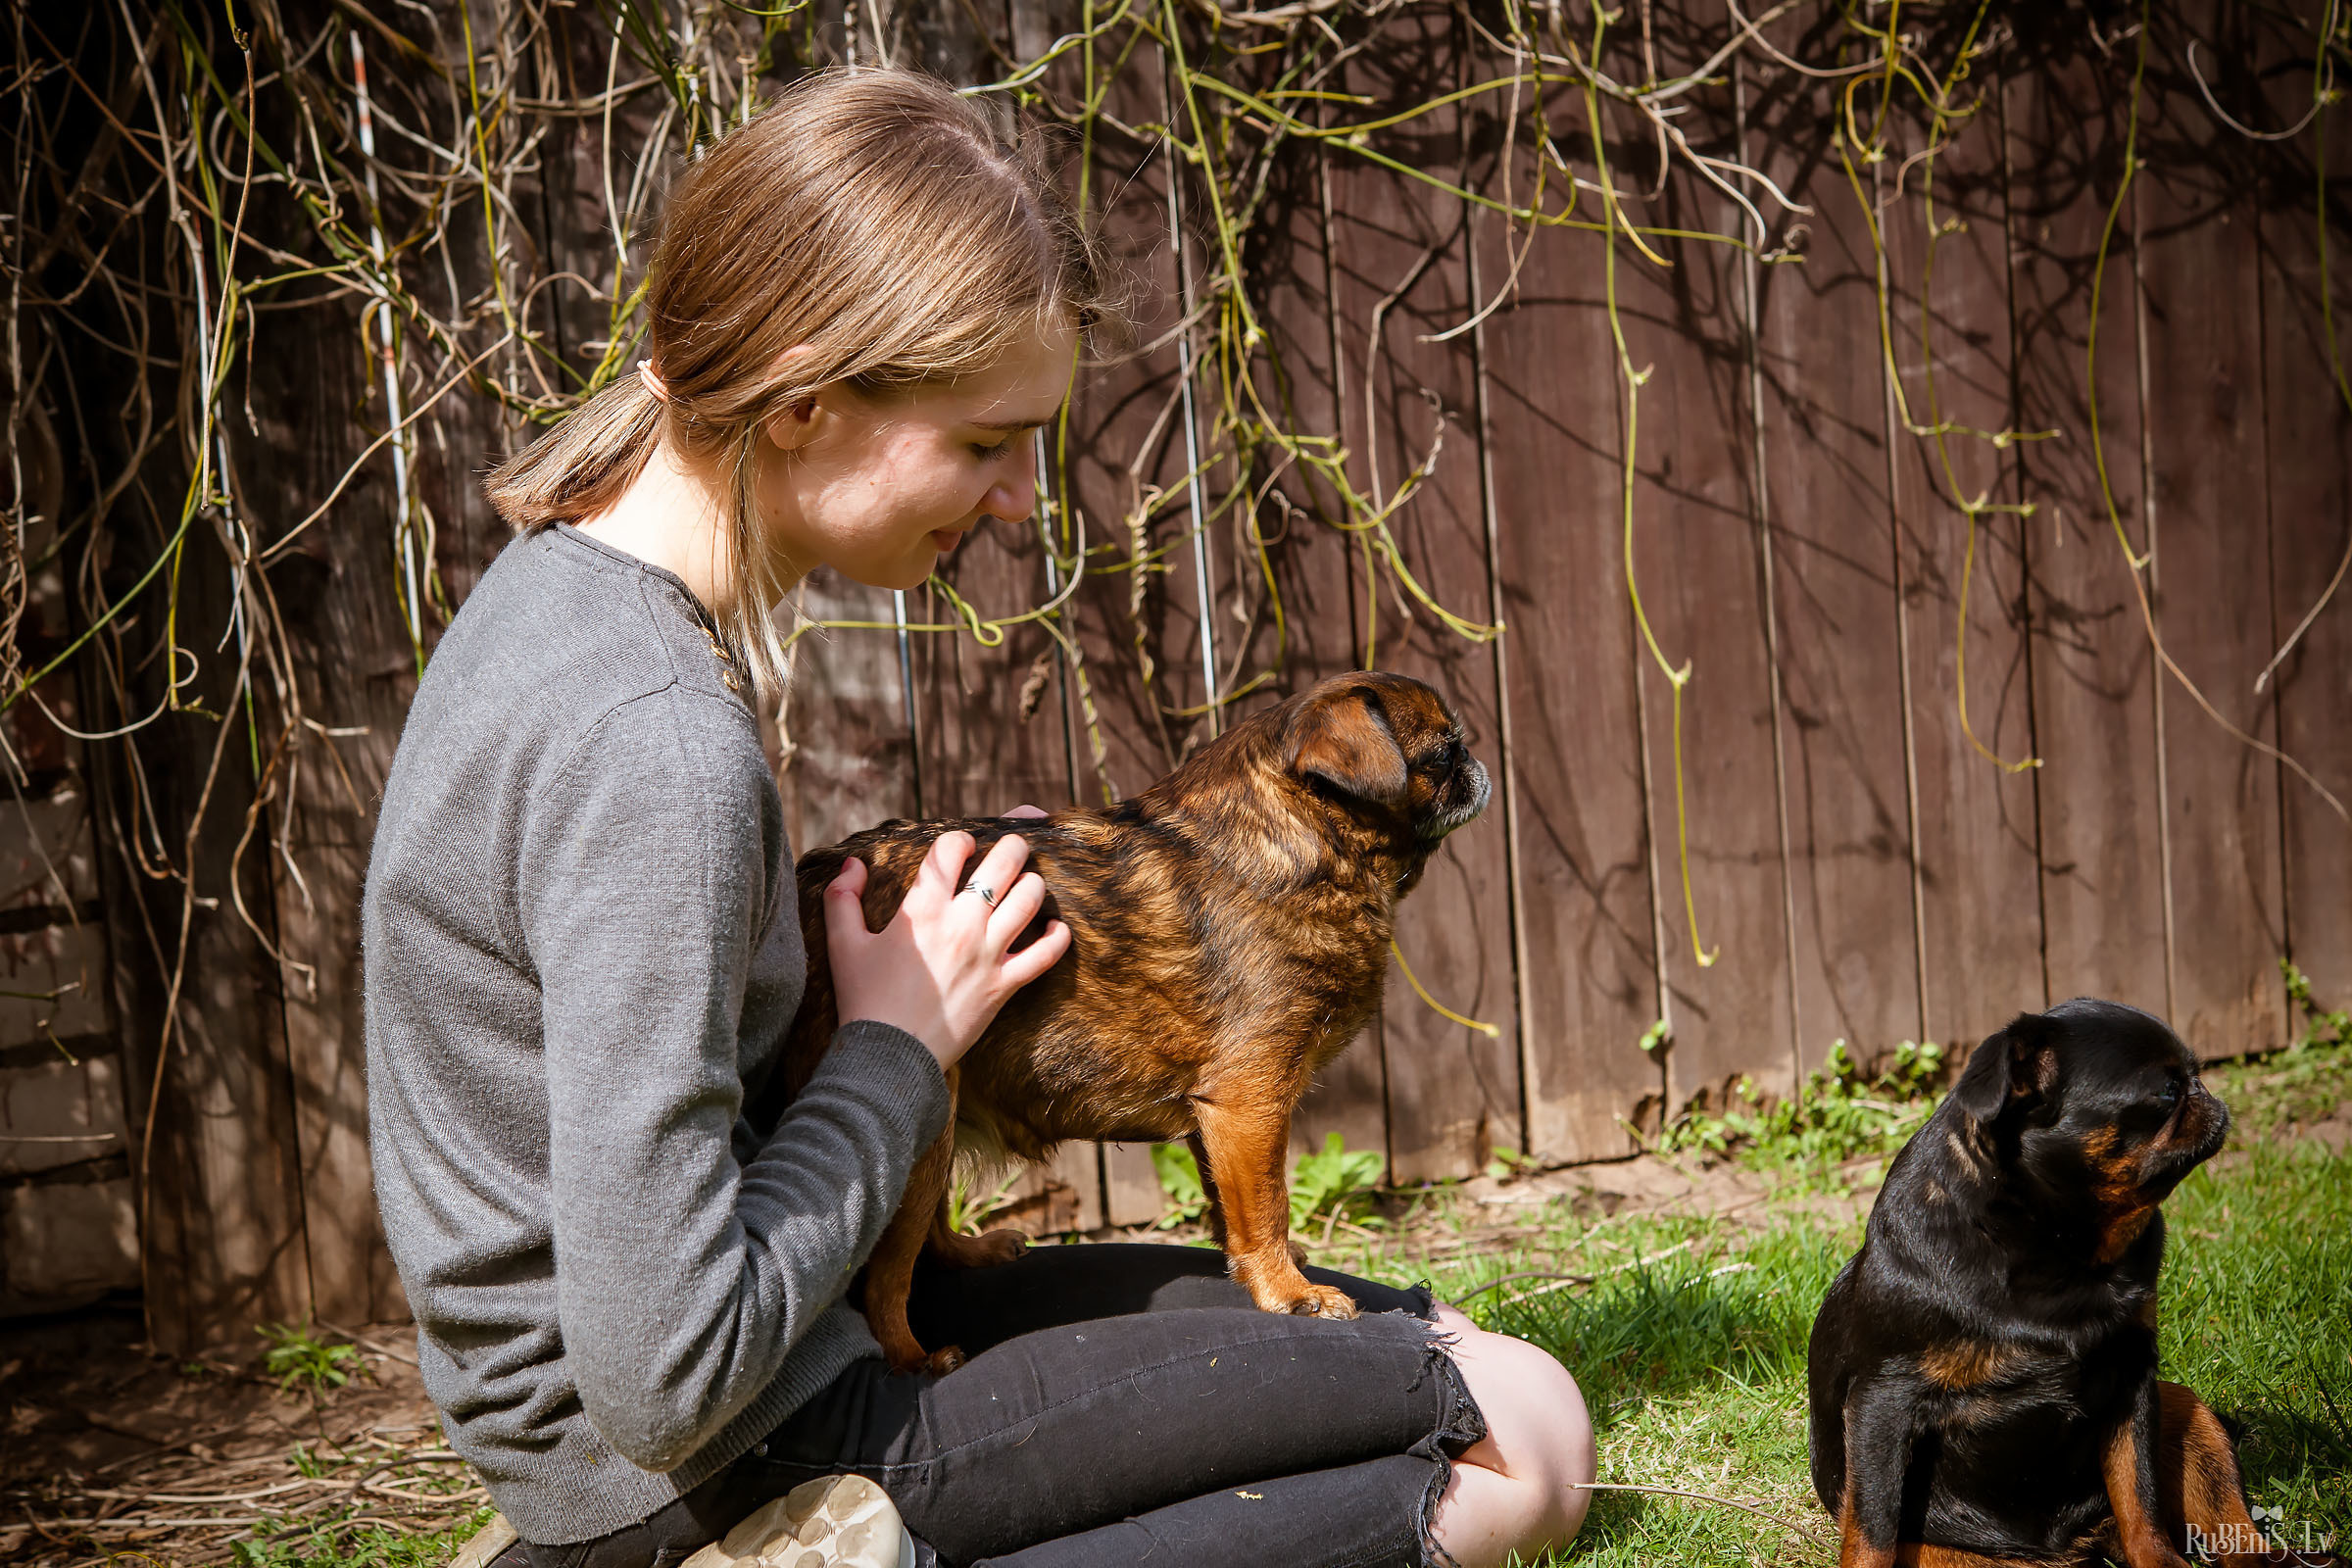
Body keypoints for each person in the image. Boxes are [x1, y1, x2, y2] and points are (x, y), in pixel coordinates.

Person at [362, 67, 1594, 1568]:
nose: (1022, 500)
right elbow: (659, 1370)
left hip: (752, 1351)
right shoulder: (654, 744)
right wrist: (902, 1043)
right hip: (697, 1448)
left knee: (1449, 1340)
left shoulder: (563, 608)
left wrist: (946, 917)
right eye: (983, 444)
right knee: (1518, 1439)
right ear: (808, 397)